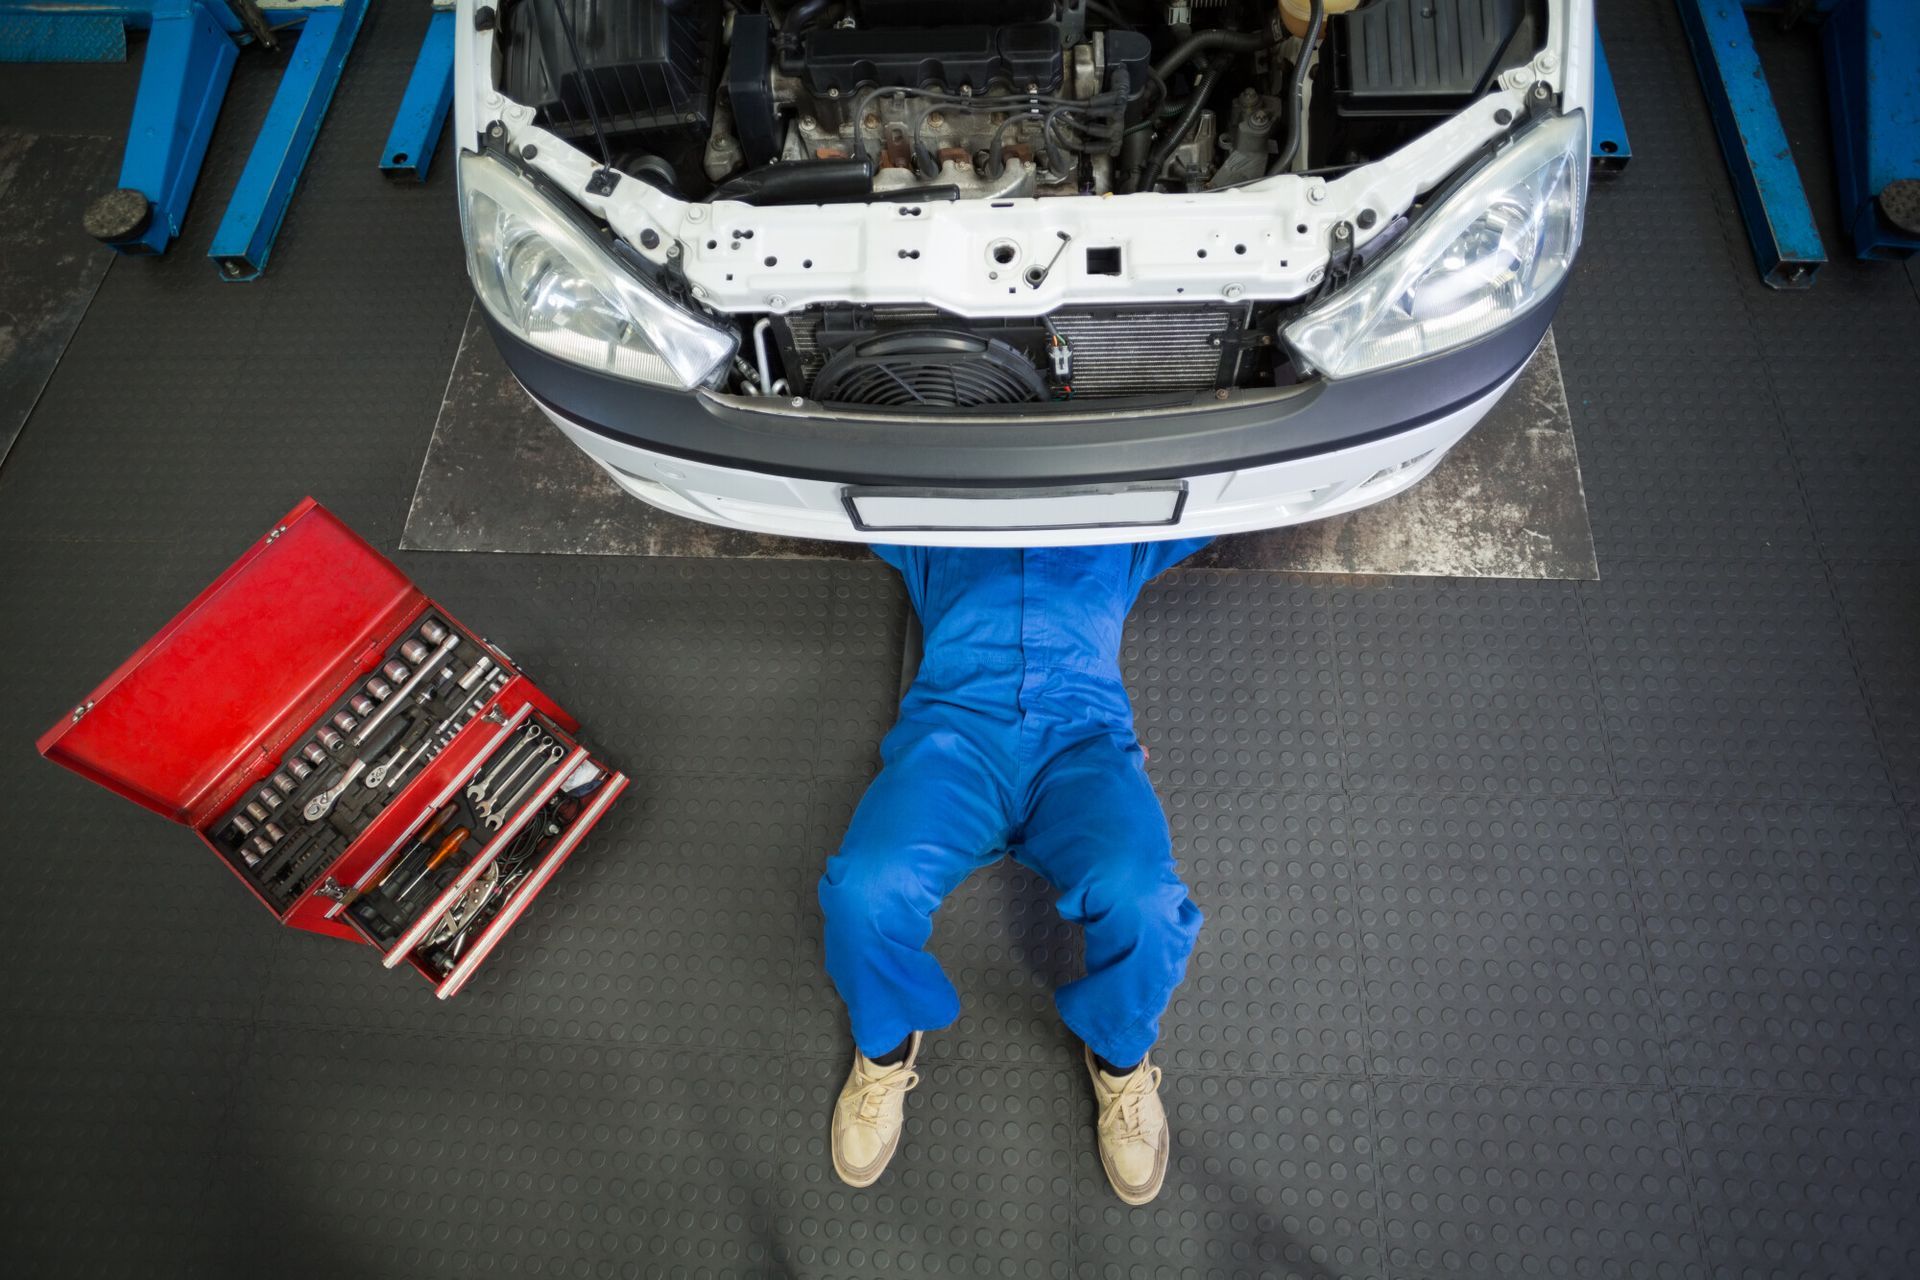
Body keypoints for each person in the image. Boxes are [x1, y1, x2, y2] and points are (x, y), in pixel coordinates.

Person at [818, 539, 1211, 1205]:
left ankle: (1120, 1058)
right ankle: (885, 1048)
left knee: (1143, 900)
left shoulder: (1118, 529)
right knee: (864, 889)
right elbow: (834, 481)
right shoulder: (939, 525)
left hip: (1080, 744)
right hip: (955, 742)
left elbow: (1223, 491)